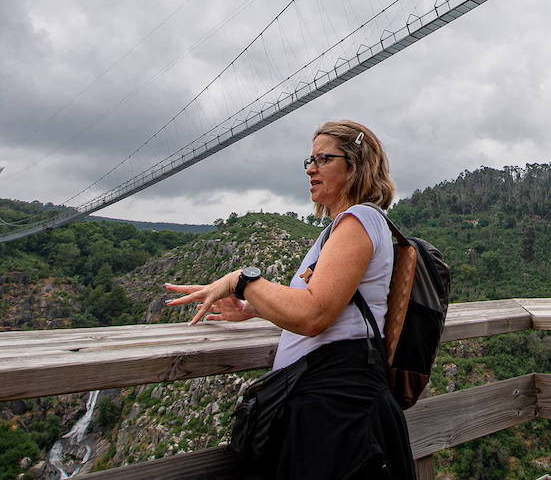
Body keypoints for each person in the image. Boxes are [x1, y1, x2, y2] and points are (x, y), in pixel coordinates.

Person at [164, 120, 414, 479]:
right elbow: (327, 304)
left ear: (355, 165)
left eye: (323, 159)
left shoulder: (358, 220)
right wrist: (256, 309)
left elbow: (314, 315)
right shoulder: (343, 227)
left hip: (338, 410)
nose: (310, 169)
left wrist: (242, 281)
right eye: (310, 161)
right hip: (329, 405)